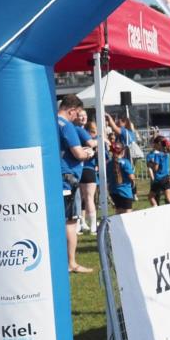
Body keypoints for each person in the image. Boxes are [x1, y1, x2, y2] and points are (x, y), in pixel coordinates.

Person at [58, 95, 95, 273]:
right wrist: (89, 153)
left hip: (56, 176)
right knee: (70, 222)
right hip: (67, 180)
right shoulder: (67, 126)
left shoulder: (50, 122)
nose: (77, 117)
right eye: (76, 113)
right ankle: (71, 263)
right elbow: (79, 154)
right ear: (71, 110)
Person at [75, 111, 99, 233]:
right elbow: (92, 144)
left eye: (85, 115)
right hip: (86, 169)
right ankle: (93, 225)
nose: (83, 117)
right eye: (80, 115)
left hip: (80, 170)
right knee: (88, 198)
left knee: (82, 198)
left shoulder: (77, 130)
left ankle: (82, 222)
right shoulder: (79, 132)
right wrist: (100, 140)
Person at [147, 136, 170, 206]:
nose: (154, 146)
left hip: (158, 179)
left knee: (151, 197)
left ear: (159, 144)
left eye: (155, 144)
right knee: (169, 198)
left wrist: (151, 164)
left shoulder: (157, 155)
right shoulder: (167, 154)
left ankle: (156, 210)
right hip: (166, 178)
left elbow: (156, 168)